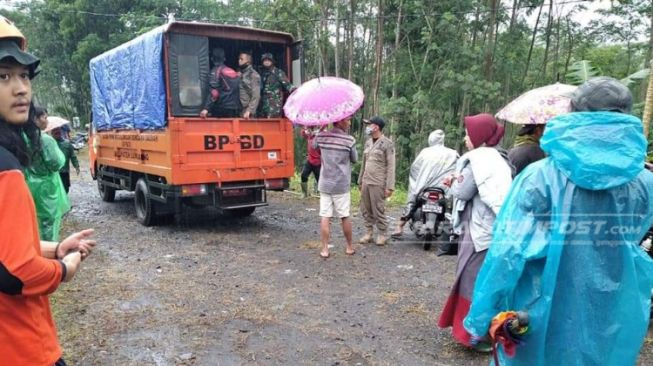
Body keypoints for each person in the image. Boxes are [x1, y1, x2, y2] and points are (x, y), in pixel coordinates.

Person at [463, 77, 653, 365]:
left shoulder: (539, 177)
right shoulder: (645, 182)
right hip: (610, 312)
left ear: (573, 113)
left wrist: (481, 318)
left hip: (539, 310)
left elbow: (507, 252)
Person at [0, 18, 96, 365]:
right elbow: (14, 272)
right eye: (3, 76)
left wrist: (56, 247)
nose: (21, 88)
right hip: (20, 346)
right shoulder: (5, 168)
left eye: (24, 75)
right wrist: (65, 268)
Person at [437, 113, 513, 350]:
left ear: (479, 136)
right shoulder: (499, 158)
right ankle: (482, 331)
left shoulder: (478, 160)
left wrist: (453, 182)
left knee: (472, 279)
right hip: (493, 229)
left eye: (469, 133)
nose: (465, 137)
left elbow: (462, 191)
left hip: (479, 231)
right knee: (485, 279)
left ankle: (475, 334)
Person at [392, 129, 458, 238]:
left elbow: (414, 169)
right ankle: (453, 231)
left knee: (412, 201)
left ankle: (400, 226)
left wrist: (416, 182)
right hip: (444, 190)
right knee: (452, 208)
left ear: (430, 139)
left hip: (424, 187)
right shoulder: (453, 153)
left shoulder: (425, 152)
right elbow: (459, 169)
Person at [313, 118, 358, 258]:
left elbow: (314, 146)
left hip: (325, 183)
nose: (350, 123)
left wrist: (321, 129)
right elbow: (355, 159)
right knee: (344, 215)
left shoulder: (322, 137)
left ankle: (325, 249)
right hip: (341, 185)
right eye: (348, 120)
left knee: (325, 216)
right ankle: (349, 246)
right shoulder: (349, 140)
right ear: (340, 122)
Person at [27, 106, 70, 241]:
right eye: (44, 117)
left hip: (29, 184)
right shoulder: (45, 140)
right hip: (46, 187)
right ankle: (49, 251)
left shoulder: (23, 137)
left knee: (34, 220)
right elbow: (56, 162)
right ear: (36, 119)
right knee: (49, 221)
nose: (47, 120)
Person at [357, 116, 396, 246]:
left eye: (370, 124)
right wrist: (360, 180)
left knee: (378, 208)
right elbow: (364, 163)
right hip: (366, 181)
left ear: (376, 127)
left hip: (378, 182)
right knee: (365, 208)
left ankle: (382, 233)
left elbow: (391, 166)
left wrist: (390, 186)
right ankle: (368, 232)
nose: (367, 127)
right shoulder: (368, 142)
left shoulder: (387, 143)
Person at [199, 48, 241, 119]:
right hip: (234, 108)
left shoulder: (215, 71)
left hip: (221, 108)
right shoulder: (232, 71)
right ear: (224, 59)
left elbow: (214, 93)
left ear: (212, 59)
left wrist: (206, 108)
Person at [259, 52, 295, 118]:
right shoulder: (261, 73)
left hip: (274, 105)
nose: (266, 62)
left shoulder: (278, 72)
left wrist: (295, 91)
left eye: (268, 60)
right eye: (265, 60)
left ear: (272, 61)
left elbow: (287, 85)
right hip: (263, 105)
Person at [51, 126, 79, 194]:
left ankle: (65, 201)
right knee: (55, 188)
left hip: (64, 171)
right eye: (55, 132)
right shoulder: (50, 144)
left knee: (65, 187)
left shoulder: (67, 144)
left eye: (58, 132)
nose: (57, 133)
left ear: (60, 132)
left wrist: (76, 166)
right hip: (54, 171)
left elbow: (73, 156)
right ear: (52, 133)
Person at [300, 126, 323, 198]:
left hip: (318, 162)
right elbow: (303, 133)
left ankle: (321, 194)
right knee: (303, 175)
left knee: (319, 179)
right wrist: (306, 127)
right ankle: (304, 193)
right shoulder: (309, 136)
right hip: (309, 160)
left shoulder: (319, 136)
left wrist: (318, 131)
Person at [238, 51, 261, 119]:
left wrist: (249, 110)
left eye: (241, 59)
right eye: (239, 59)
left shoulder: (253, 75)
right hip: (240, 109)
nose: (239, 61)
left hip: (247, 112)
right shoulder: (242, 73)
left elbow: (256, 95)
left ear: (248, 62)